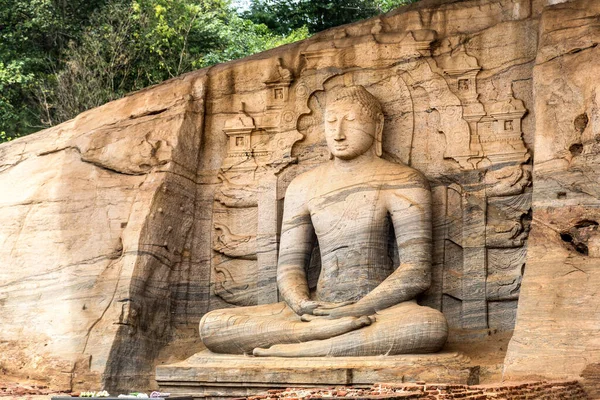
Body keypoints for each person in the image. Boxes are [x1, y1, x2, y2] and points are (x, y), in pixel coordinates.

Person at [199, 85, 448, 357]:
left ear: (378, 126)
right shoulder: (303, 186)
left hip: (380, 310)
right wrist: (301, 304)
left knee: (429, 326)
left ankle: (300, 349)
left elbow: (416, 271)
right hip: (315, 311)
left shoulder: (404, 181)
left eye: (351, 122)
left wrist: (358, 308)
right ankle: (315, 335)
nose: (338, 133)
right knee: (213, 325)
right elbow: (290, 268)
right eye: (330, 122)